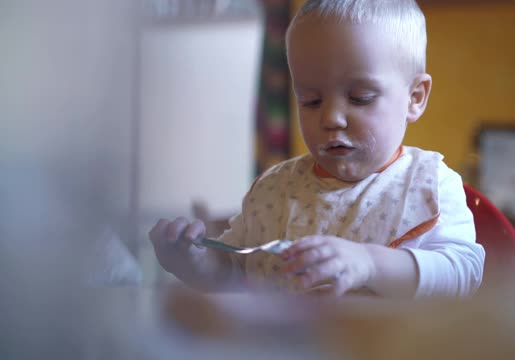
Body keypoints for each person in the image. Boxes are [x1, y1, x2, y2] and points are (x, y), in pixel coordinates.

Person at [149, 0, 485, 298]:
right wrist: (193, 261)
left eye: (360, 98)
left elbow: (464, 274)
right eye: (310, 100)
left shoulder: (429, 185)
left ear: (415, 98)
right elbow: (231, 273)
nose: (331, 117)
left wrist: (369, 263)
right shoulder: (275, 192)